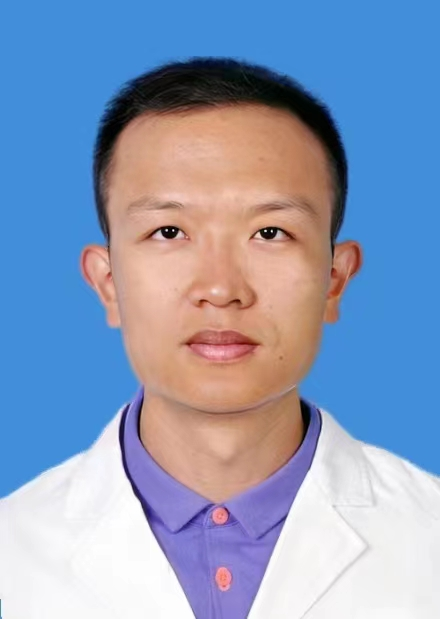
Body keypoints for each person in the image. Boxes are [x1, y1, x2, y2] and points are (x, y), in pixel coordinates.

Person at [0, 56, 439, 619]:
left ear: (334, 279)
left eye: (270, 232)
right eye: (169, 231)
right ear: (108, 283)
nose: (221, 289)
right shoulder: (13, 552)